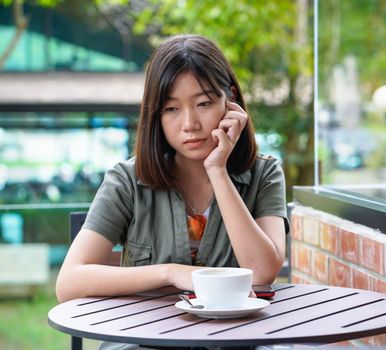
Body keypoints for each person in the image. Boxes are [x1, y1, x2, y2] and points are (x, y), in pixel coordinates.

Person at [55, 34, 288, 334]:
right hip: (141, 341)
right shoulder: (127, 180)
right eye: (171, 109)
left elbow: (262, 272)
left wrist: (217, 169)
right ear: (156, 115)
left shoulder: (264, 174)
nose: (189, 123)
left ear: (229, 100)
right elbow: (69, 283)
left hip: (233, 340)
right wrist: (172, 273)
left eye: (203, 103)